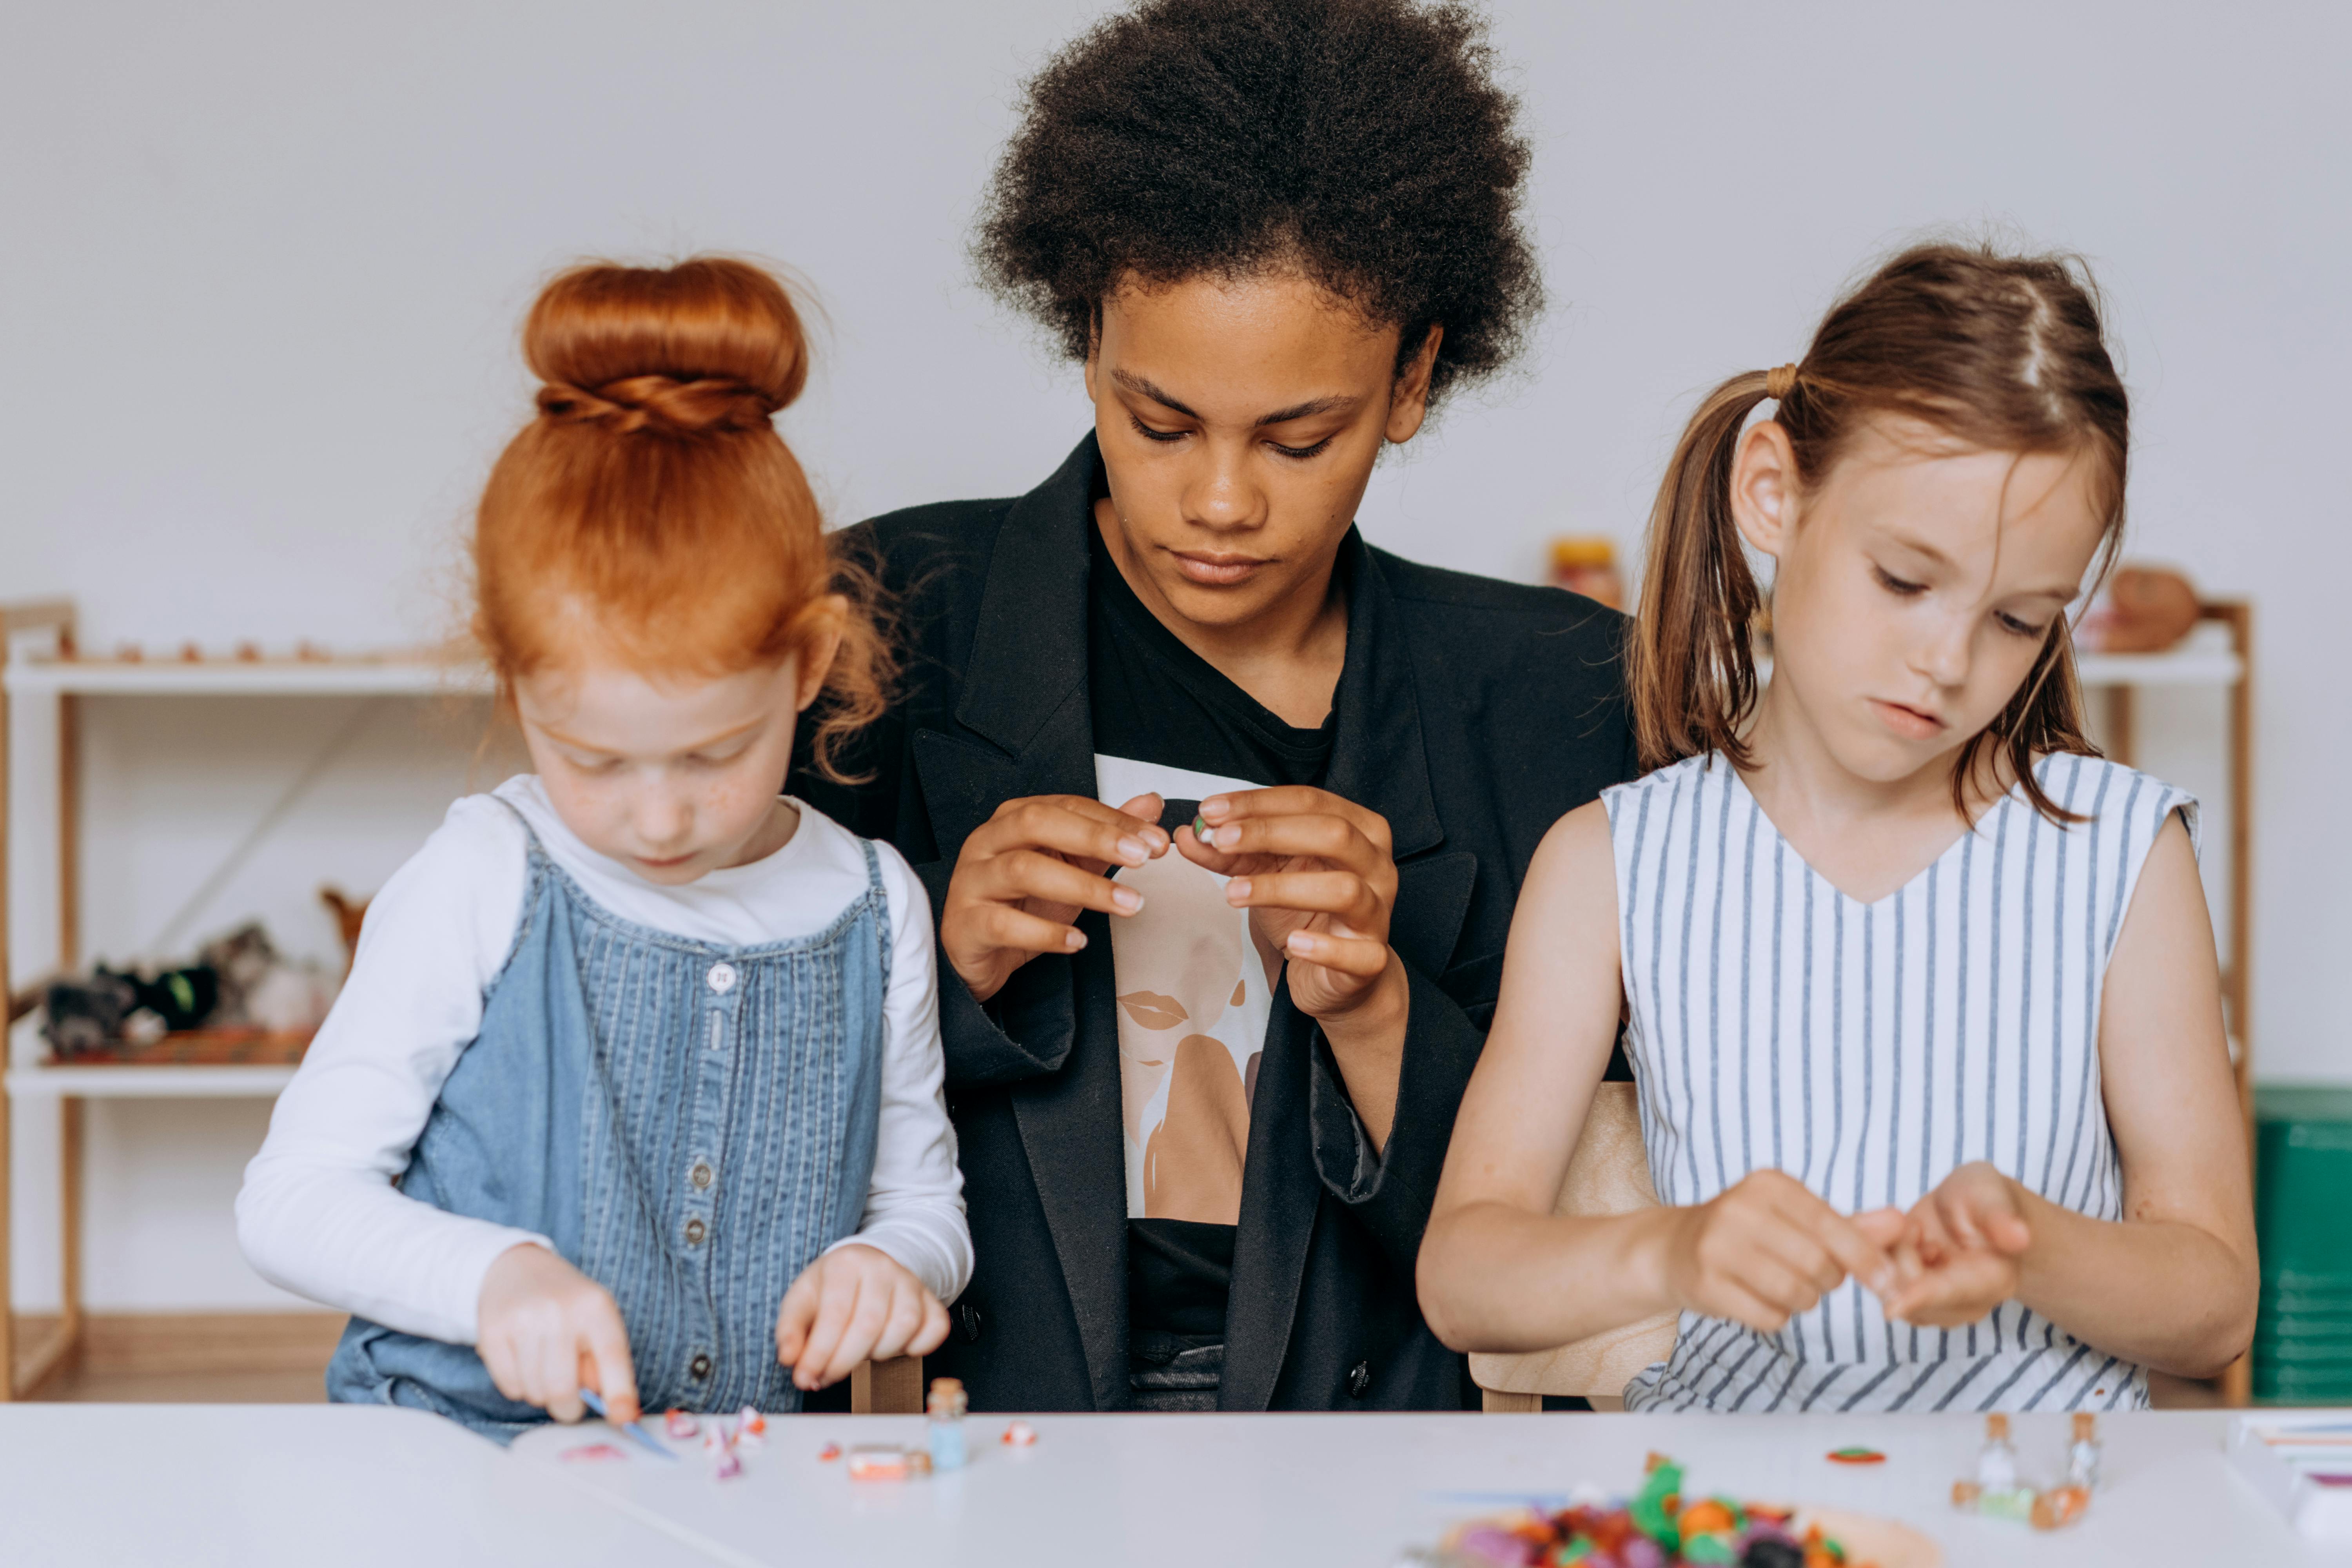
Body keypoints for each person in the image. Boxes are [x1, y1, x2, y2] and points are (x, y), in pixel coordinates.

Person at [793, 0, 1633, 1413]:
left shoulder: (1557, 695)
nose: (1222, 503)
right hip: (972, 1438)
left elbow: (1564, 1240)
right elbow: (702, 1106)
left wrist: (1377, 1001)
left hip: (1371, 1460)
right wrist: (945, 964)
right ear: (1086, 342)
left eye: (1301, 438)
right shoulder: (883, 617)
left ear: (1414, 379)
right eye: (1160, 423)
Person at [1418, 242, 2259, 1412]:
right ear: (1774, 490)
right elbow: (1464, 1278)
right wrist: (1671, 1250)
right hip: (1734, 1518)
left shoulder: (2121, 853)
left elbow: (2215, 1304)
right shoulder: (1614, 861)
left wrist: (2038, 1249)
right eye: (1905, 580)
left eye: (2019, 621)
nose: (1950, 662)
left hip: (2034, 1522)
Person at [237, 259, 969, 1439]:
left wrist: (895, 1269)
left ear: (812, 663)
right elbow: (290, 1201)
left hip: (738, 1487)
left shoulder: (875, 906)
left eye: (713, 754)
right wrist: (492, 1278)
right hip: (446, 1469)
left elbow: (923, 1203)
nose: (660, 817)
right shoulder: (485, 875)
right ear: (513, 680)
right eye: (594, 759)